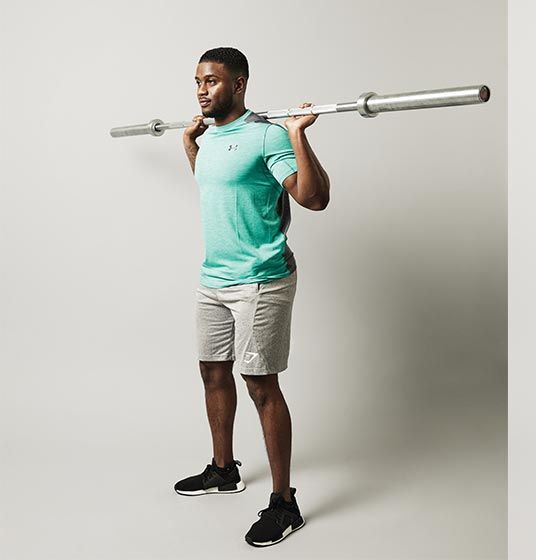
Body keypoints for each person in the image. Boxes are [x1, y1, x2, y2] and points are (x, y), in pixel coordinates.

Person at [170, 46, 330, 548]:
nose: (201, 89)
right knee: (212, 371)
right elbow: (213, 183)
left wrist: (298, 135)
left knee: (260, 383)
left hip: (261, 278)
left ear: (238, 84)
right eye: (198, 80)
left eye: (212, 81)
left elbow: (314, 197)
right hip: (213, 278)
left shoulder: (267, 134)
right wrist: (190, 146)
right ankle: (224, 470)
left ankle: (285, 502)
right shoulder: (211, 135)